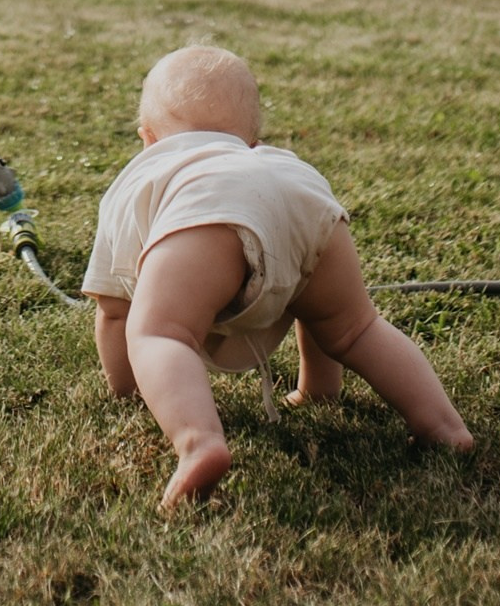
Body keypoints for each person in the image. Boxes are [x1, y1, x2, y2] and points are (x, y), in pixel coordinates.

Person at [84, 42, 473, 509]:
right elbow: (331, 317)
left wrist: (127, 389)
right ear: (252, 137)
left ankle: (199, 443)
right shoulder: (265, 159)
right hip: (300, 193)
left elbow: (113, 313)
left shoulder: (144, 175)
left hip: (207, 205)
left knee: (161, 333)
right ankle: (441, 426)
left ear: (147, 138)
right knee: (354, 326)